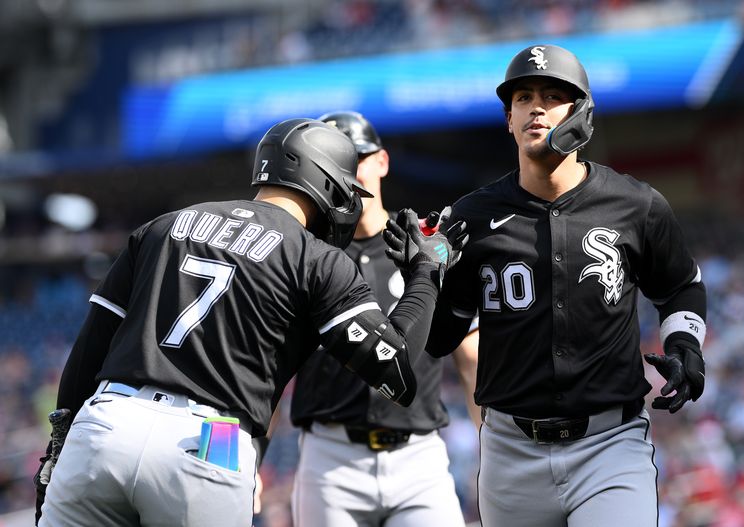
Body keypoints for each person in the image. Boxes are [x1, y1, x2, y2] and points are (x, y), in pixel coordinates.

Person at [34, 117, 467, 527]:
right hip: (212, 438)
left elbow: (89, 347)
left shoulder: (164, 226)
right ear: (327, 181)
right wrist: (426, 274)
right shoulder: (314, 257)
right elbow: (396, 366)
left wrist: (59, 446)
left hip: (108, 419)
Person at [405, 44, 707, 526]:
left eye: (552, 95)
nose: (536, 107)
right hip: (510, 452)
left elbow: (680, 287)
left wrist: (686, 344)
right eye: (523, 98)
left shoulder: (636, 204)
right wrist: (424, 277)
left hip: (610, 443)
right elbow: (442, 338)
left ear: (581, 113)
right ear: (509, 119)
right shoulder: (471, 216)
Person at [288, 111, 479, 527]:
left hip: (419, 458)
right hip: (330, 457)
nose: (347, 171)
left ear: (382, 161)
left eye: (356, 157)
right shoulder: (302, 254)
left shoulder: (426, 244)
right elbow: (270, 362)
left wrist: (491, 447)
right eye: (332, 161)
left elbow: (470, 356)